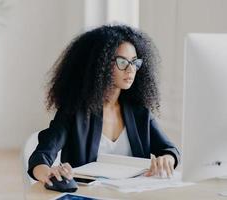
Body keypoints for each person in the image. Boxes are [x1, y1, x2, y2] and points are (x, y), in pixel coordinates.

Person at [28, 24, 180, 186]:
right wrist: (49, 172)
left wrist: (167, 159)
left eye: (134, 62)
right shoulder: (74, 112)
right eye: (122, 62)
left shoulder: (139, 112)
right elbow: (40, 157)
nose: (131, 70)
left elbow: (169, 150)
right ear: (100, 64)